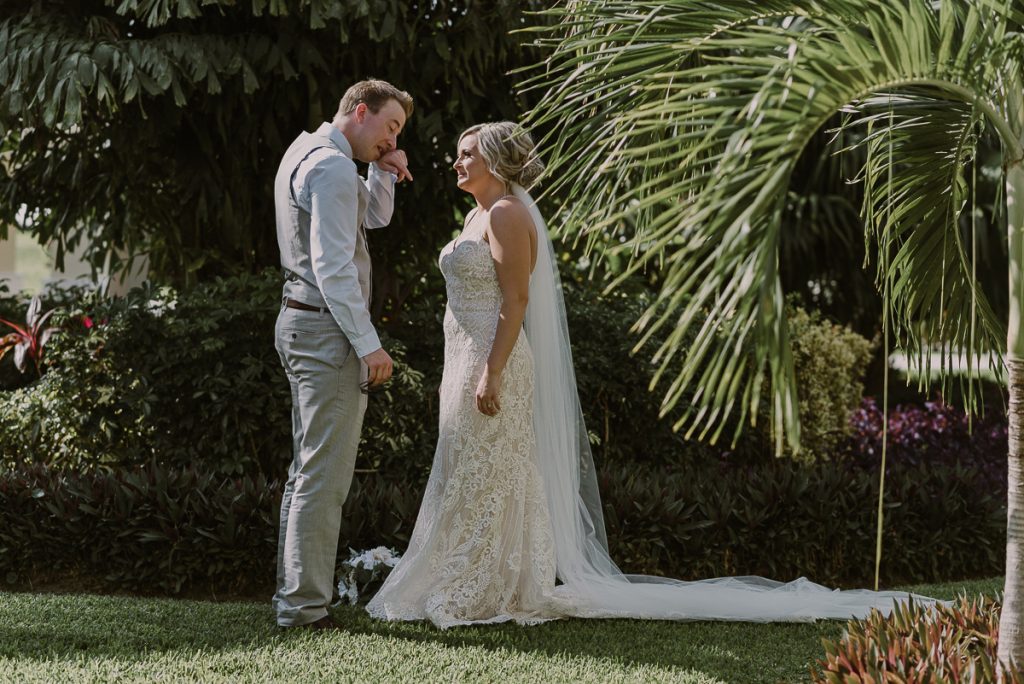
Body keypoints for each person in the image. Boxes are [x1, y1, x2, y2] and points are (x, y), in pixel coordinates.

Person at [366, 121, 934, 628]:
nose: (458, 162)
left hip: (497, 361)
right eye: (460, 154)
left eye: (469, 154)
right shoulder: (475, 214)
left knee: (494, 471)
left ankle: (487, 586)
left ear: (497, 161)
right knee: (469, 468)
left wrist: (491, 373)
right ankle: (469, 575)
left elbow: (515, 301)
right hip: (463, 358)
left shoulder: (510, 214)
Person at [273, 79, 413, 630]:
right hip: (326, 330)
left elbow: (369, 220)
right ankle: (303, 611)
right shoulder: (331, 168)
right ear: (361, 111)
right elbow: (334, 267)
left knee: (305, 473)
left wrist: (384, 168)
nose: (392, 138)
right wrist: (369, 344)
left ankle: (295, 600)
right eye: (391, 127)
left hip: (301, 322)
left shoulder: (310, 152)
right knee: (323, 479)